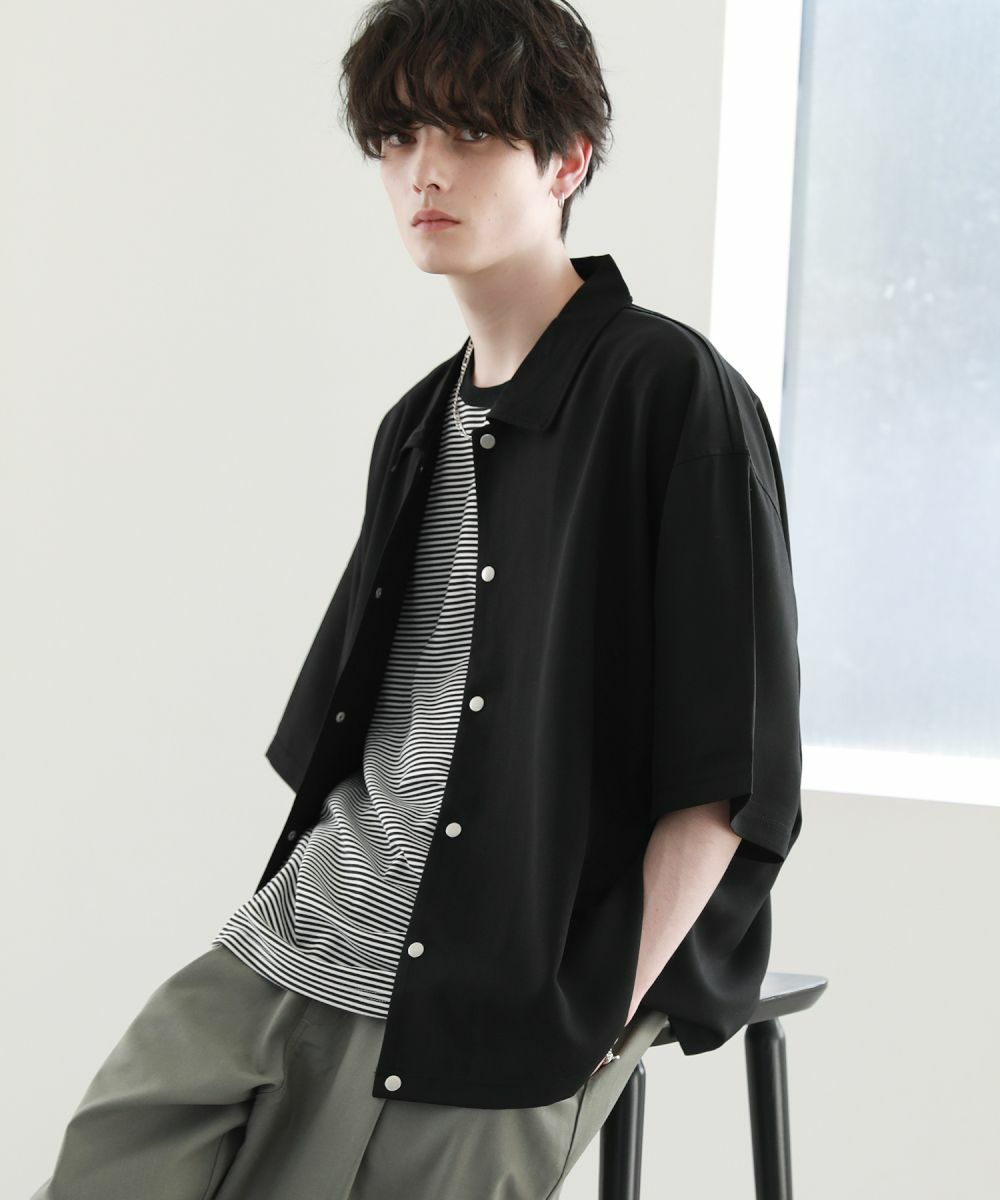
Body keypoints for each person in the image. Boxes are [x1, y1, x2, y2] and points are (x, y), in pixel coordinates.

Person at [31, 2, 803, 1198]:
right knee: (104, 1163)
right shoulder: (416, 425)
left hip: (510, 978)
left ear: (566, 161)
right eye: (397, 138)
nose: (423, 172)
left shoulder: (666, 390)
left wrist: (599, 1013)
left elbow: (727, 772)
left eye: (470, 134)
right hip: (303, 935)